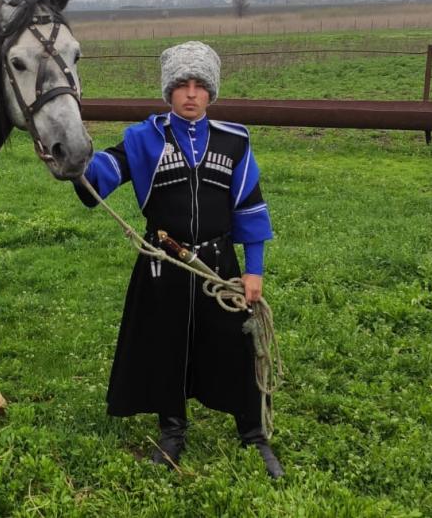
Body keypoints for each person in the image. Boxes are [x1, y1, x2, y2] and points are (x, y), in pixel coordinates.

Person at [75, 41, 283, 479]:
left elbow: (250, 206)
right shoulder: (143, 140)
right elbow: (97, 179)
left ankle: (253, 433)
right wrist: (69, 152)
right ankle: (172, 430)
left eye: (200, 85)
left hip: (219, 269)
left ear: (211, 92)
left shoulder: (234, 141)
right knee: (165, 345)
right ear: (168, 90)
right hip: (163, 266)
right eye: (182, 85)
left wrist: (254, 269)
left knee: (237, 348)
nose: (191, 94)